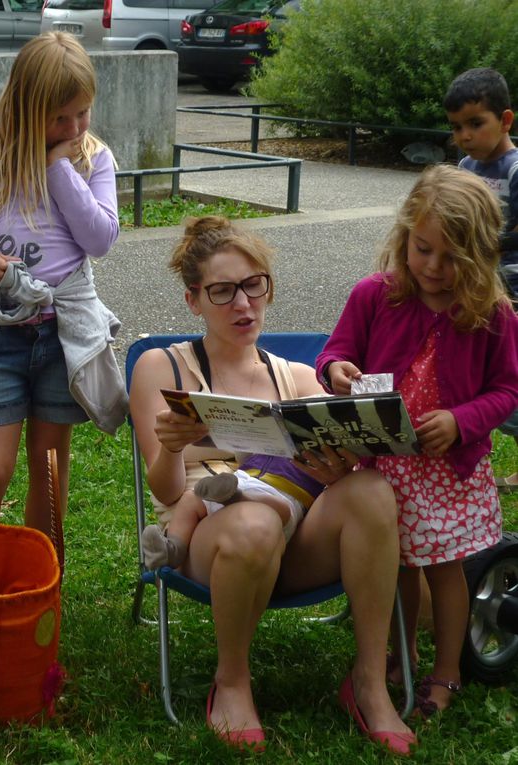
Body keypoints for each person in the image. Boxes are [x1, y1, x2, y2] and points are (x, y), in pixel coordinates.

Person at [129, 215, 414, 755]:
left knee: (372, 490)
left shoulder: (300, 379)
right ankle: (232, 681)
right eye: (223, 291)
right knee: (254, 520)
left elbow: (328, 485)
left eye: (254, 285)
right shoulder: (161, 367)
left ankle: (369, 683)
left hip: (293, 537)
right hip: (206, 542)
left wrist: (337, 471)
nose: (244, 304)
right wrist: (171, 445)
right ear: (193, 300)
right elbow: (167, 493)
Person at [316, 165, 518, 719]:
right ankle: (397, 658)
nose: (433, 267)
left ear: (479, 256)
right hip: (383, 469)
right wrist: (336, 372)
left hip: (447, 471)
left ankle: (447, 671)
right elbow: (333, 355)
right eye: (422, 249)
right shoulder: (373, 295)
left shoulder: (492, 313)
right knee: (397, 567)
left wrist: (462, 420)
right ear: (405, 235)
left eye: (451, 257)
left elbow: (507, 390)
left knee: (445, 571)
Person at [0, 31, 125, 536]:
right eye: (61, 116)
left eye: (83, 113)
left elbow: (99, 238)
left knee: (50, 469)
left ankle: (40, 585)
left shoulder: (91, 159)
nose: (75, 126)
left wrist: (60, 167)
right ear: (24, 104)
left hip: (62, 335)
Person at [443, 68, 518, 490]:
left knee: (511, 376)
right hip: (475, 287)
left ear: (505, 120)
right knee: (477, 375)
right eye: (457, 127)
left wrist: (483, 244)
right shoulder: (466, 166)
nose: (465, 136)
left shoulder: (514, 168)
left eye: (476, 124)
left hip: (512, 288)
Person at [140, 453, 323, 569]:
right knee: (191, 498)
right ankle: (172, 548)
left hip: (287, 495)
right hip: (242, 480)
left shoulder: (327, 460)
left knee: (280, 510)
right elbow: (241, 453)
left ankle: (236, 498)